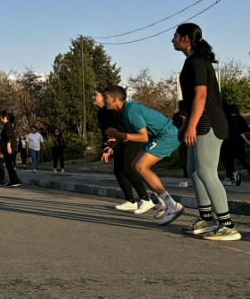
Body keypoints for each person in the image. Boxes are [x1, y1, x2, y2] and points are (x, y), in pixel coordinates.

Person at [172, 23, 240, 240]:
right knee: (194, 169)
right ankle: (207, 220)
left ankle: (228, 226)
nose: (172, 39)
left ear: (185, 39)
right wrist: (185, 125)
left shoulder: (197, 62)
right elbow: (192, 100)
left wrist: (191, 125)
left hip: (208, 122)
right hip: (198, 121)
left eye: (175, 36)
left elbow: (201, 96)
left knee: (207, 172)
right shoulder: (190, 62)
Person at [104, 85, 183, 227]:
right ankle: (164, 203)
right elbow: (137, 135)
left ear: (114, 99)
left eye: (106, 97)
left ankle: (173, 206)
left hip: (167, 135)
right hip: (158, 136)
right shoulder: (124, 111)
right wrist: (118, 141)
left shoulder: (130, 111)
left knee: (141, 166)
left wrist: (121, 135)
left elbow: (143, 137)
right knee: (135, 166)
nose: (104, 100)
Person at [95, 88, 152, 214]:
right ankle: (131, 201)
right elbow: (106, 132)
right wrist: (107, 146)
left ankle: (146, 198)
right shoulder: (101, 113)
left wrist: (116, 142)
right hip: (118, 142)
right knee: (119, 171)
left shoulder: (113, 111)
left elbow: (122, 127)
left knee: (129, 168)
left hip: (130, 139)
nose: (95, 98)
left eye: (97, 95)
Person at [220, 103, 250, 186]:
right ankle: (232, 176)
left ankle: (231, 175)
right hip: (239, 142)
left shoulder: (226, 119)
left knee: (226, 160)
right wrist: (247, 140)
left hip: (228, 142)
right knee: (242, 160)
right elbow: (243, 131)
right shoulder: (240, 118)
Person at [0, 111, 21, 187]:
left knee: (9, 165)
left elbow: (9, 136)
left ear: (5, 117)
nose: (0, 118)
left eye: (1, 117)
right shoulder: (6, 125)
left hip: (10, 148)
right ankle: (13, 181)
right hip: (8, 148)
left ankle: (15, 181)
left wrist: (8, 146)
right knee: (9, 165)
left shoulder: (7, 125)